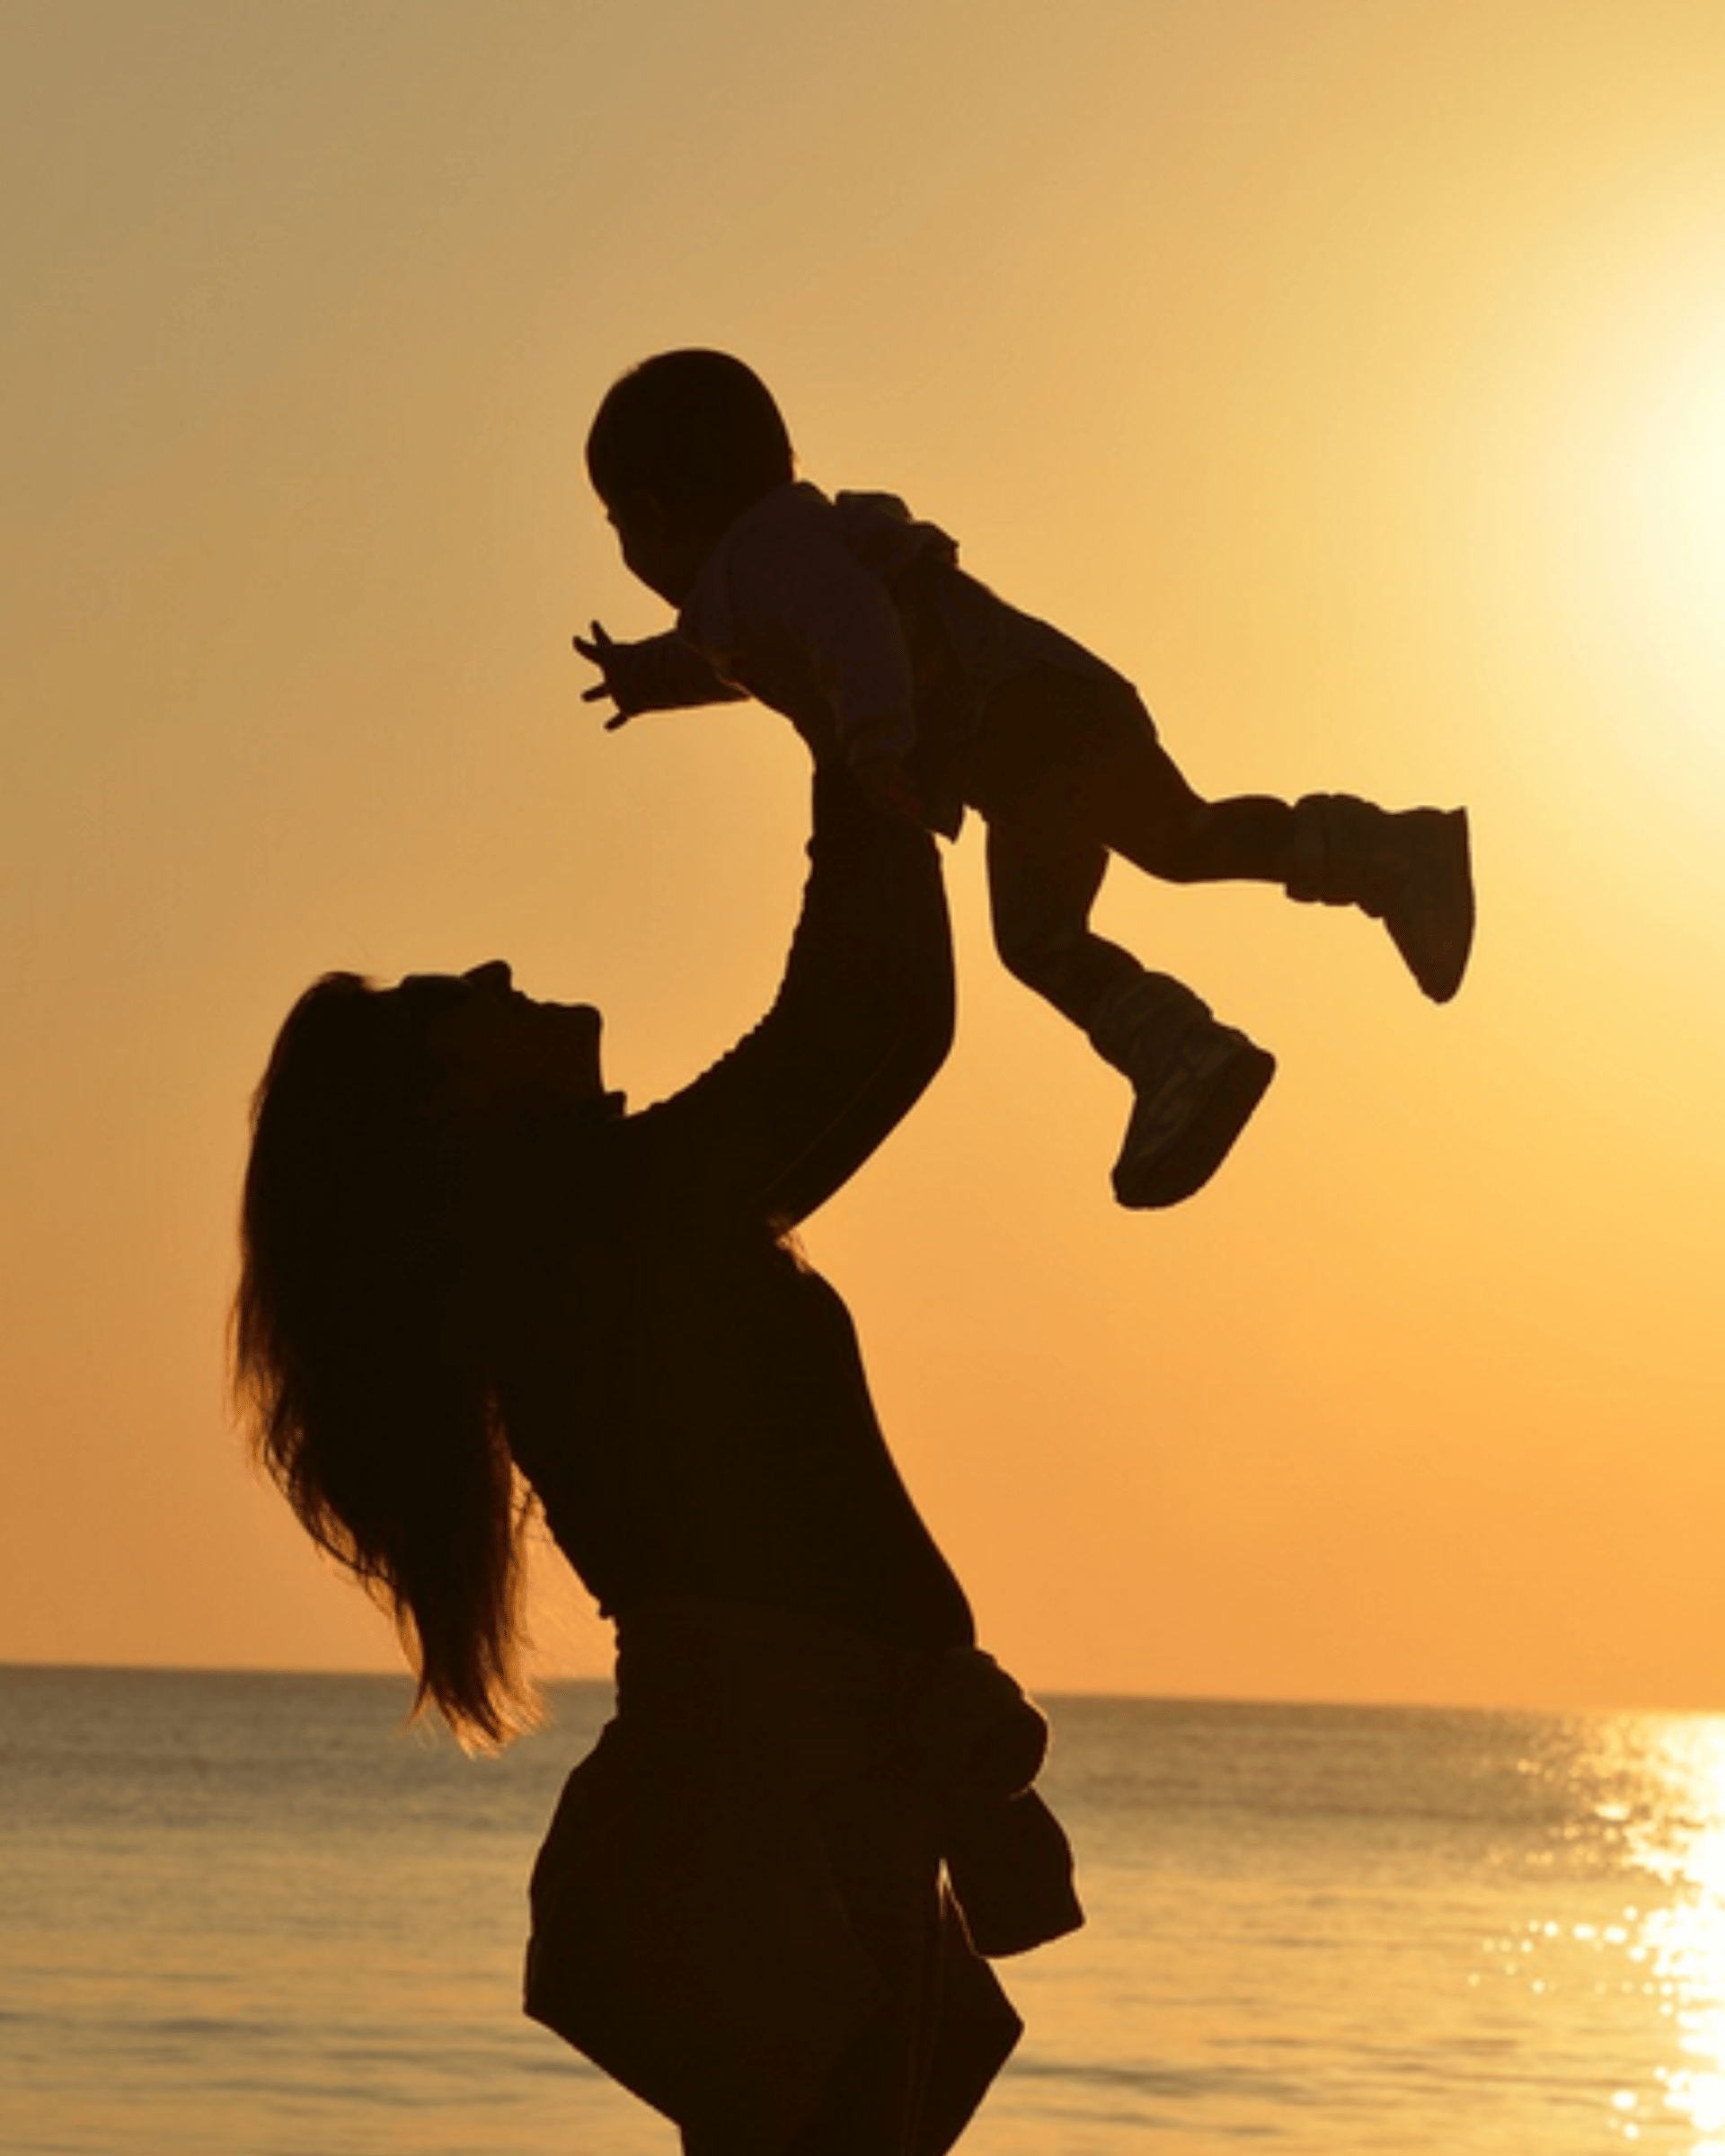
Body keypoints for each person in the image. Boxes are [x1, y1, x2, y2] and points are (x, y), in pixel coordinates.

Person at [233, 764, 1082, 2156]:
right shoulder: (600, 1226)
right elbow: (865, 1027)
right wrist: (853, 725)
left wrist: (865, 740)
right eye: (450, 1001)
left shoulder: (597, 1228)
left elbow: (879, 1034)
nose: (494, 970)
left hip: (803, 1799)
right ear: (447, 1105)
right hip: (783, 1807)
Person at [578, 349, 1475, 1210]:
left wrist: (876, 746)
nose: (625, 550)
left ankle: (1379, 864)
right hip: (1017, 752)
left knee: (1169, 846)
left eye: (617, 527)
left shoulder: (765, 556)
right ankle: (1189, 1045)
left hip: (1033, 712)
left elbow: (851, 624)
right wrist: (644, 678)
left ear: (650, 515)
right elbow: (733, 656)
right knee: (1067, 918)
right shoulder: (762, 568)